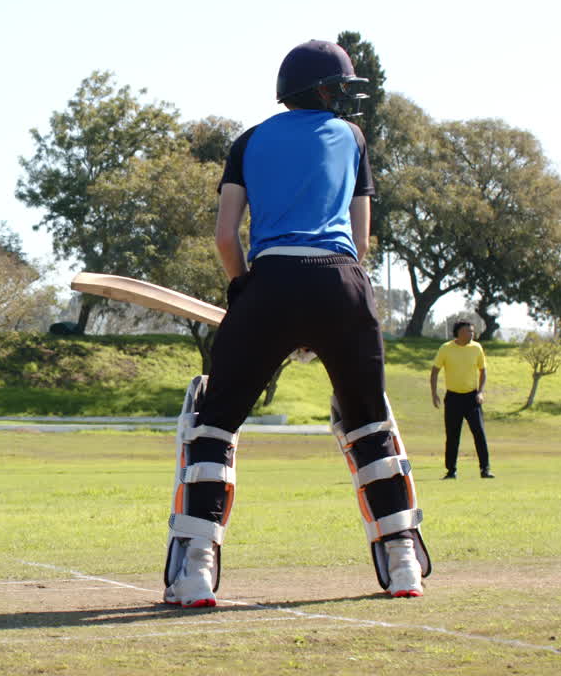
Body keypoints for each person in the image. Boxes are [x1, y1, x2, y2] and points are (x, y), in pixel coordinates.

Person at [161, 40, 431, 609]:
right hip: (341, 282)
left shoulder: (248, 141)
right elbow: (360, 243)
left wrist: (246, 292)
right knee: (368, 421)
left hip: (271, 281)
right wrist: (331, 314)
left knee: (214, 424)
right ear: (326, 90)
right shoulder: (353, 139)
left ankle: (195, 570)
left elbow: (224, 237)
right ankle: (404, 560)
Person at [430, 320, 492, 479]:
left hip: (472, 398)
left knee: (479, 433)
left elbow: (483, 371)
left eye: (472, 331)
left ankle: (485, 469)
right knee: (452, 435)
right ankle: (451, 471)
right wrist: (434, 393)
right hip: (453, 398)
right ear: (458, 333)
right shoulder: (446, 348)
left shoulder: (476, 348)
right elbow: (435, 371)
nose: (471, 334)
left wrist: (481, 392)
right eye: (467, 331)